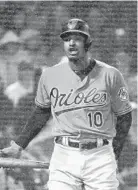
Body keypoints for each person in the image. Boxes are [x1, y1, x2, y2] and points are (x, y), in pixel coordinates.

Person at [0, 18, 132, 190]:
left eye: (78, 38)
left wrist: (114, 152)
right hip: (64, 152)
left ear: (88, 42)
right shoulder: (50, 76)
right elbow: (41, 114)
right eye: (67, 39)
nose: (72, 43)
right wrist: (19, 145)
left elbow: (124, 117)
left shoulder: (110, 75)